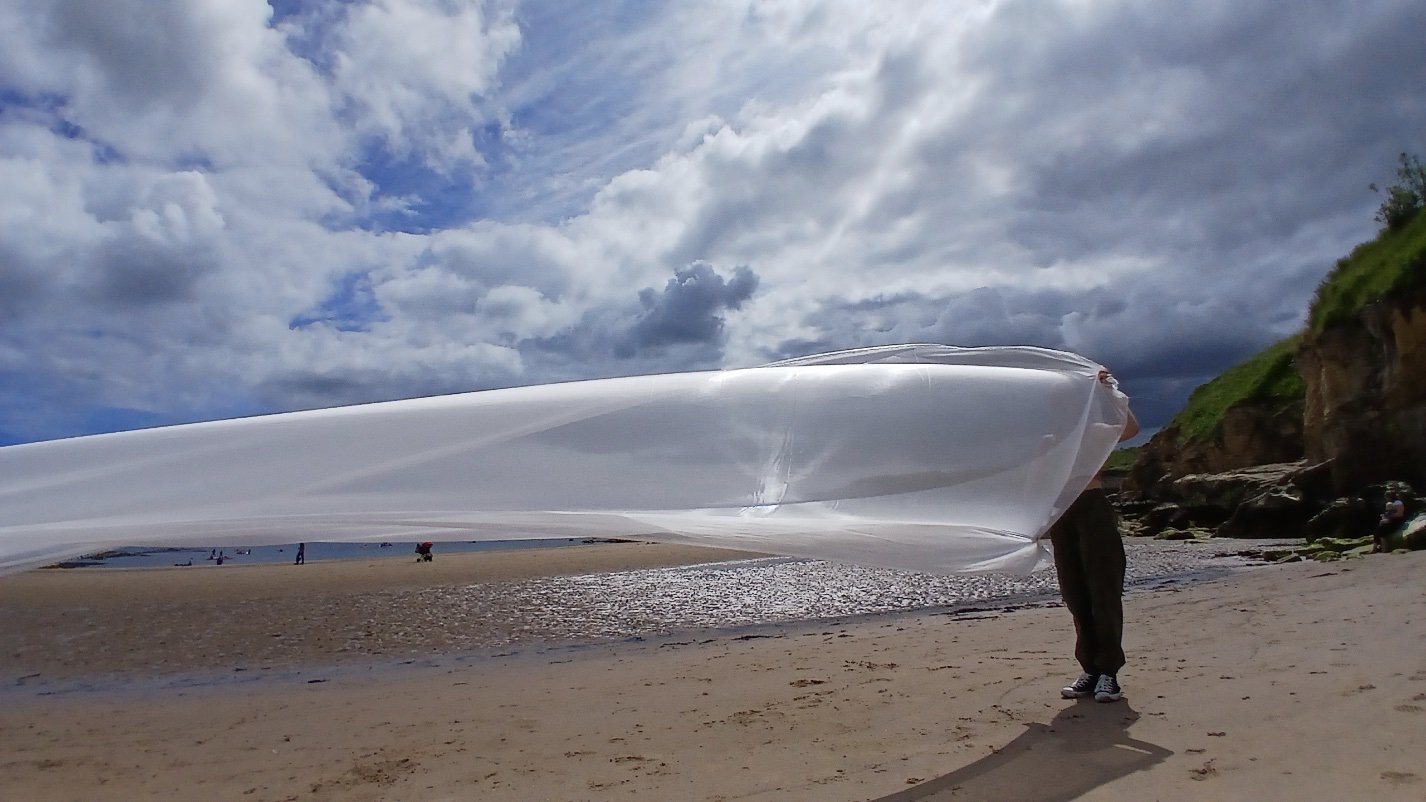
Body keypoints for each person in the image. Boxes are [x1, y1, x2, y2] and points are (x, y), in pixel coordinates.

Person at [1052, 370, 1139, 704]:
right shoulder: (1050, 437)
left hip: (1092, 508)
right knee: (1075, 594)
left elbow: (1130, 429)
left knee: (1103, 590)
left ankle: (1109, 674)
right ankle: (1089, 669)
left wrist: (1109, 392)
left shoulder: (1095, 431)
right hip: (1062, 513)